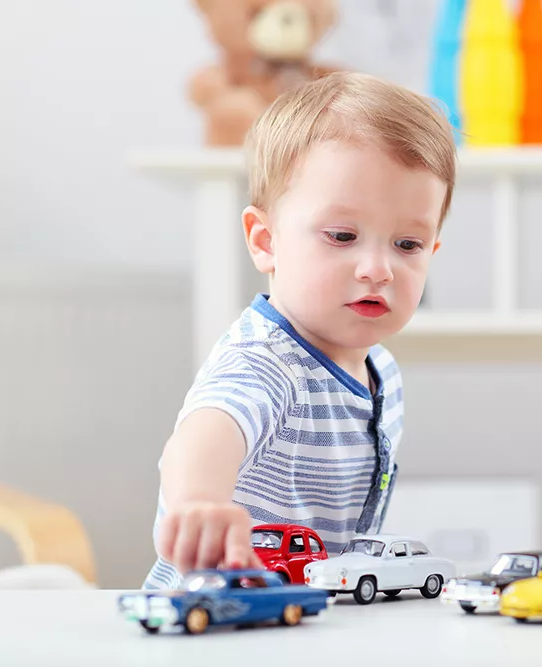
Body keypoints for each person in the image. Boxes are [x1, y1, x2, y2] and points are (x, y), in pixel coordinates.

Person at [143, 71, 456, 589]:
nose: (378, 268)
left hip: (307, 611)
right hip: (220, 609)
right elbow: (206, 432)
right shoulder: (266, 362)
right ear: (266, 241)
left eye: (408, 245)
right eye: (342, 235)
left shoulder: (383, 371)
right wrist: (198, 502)